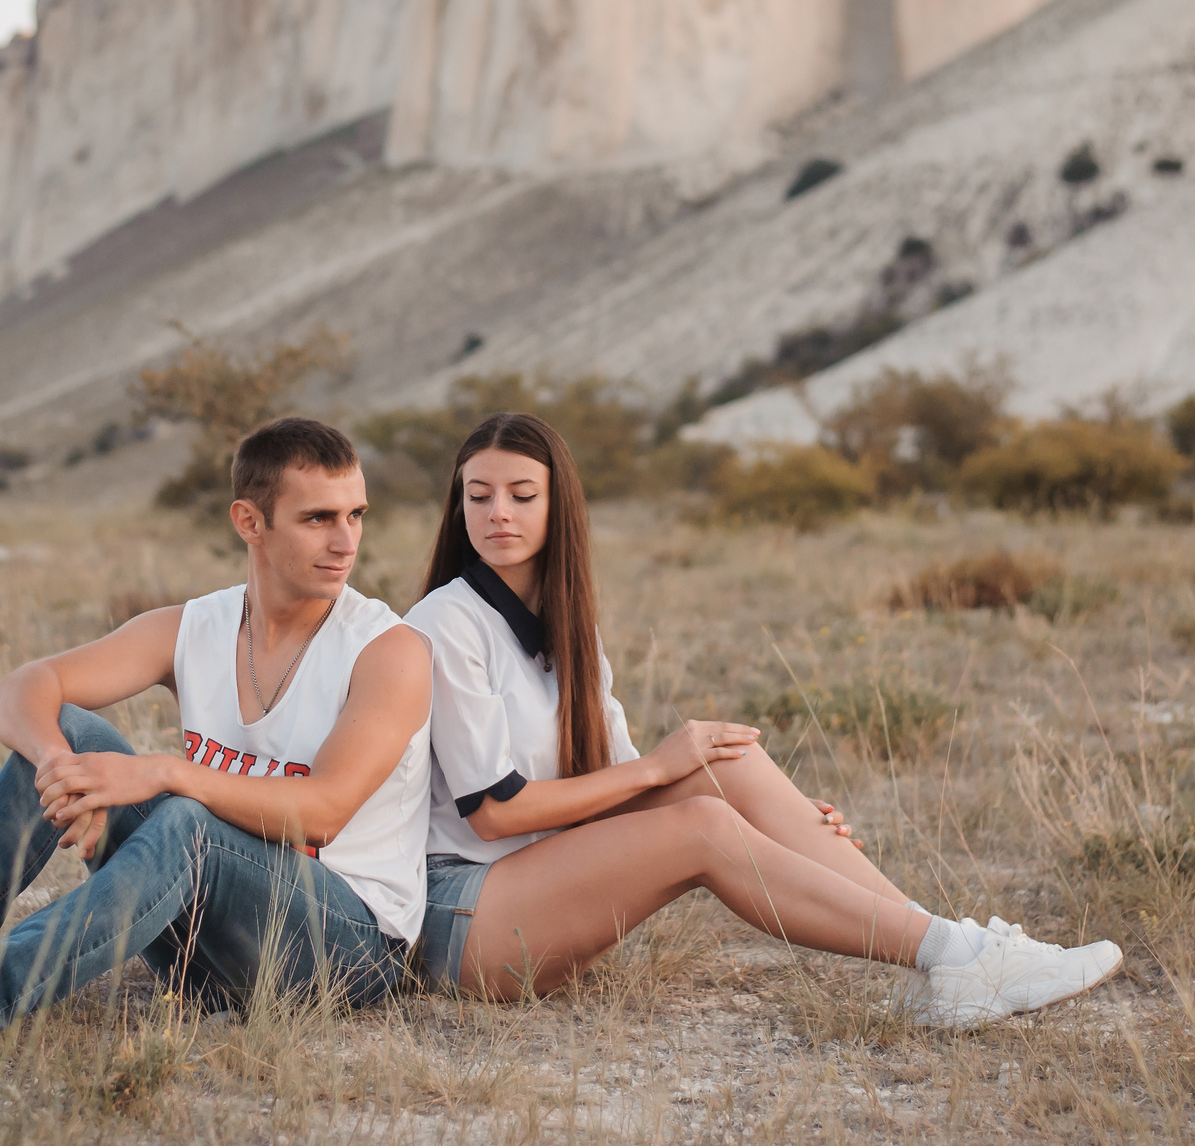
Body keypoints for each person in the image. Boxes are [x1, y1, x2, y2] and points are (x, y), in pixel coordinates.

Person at [403, 411, 1120, 1026]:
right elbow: (495, 814)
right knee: (702, 826)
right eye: (480, 495)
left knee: (732, 765)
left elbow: (617, 789)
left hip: (541, 887)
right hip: (466, 917)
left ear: (560, 506)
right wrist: (664, 768)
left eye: (522, 495)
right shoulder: (445, 622)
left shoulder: (569, 629)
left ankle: (939, 964)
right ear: (458, 508)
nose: (499, 512)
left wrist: (785, 823)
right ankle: (961, 957)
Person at [0, 417, 432, 1077]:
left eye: (357, 515)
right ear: (249, 521)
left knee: (187, 818)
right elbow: (26, 686)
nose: (346, 540)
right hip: (205, 951)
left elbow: (323, 811)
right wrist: (60, 770)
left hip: (347, 950)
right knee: (71, 731)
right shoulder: (197, 626)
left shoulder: (389, 651)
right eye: (319, 518)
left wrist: (156, 774)